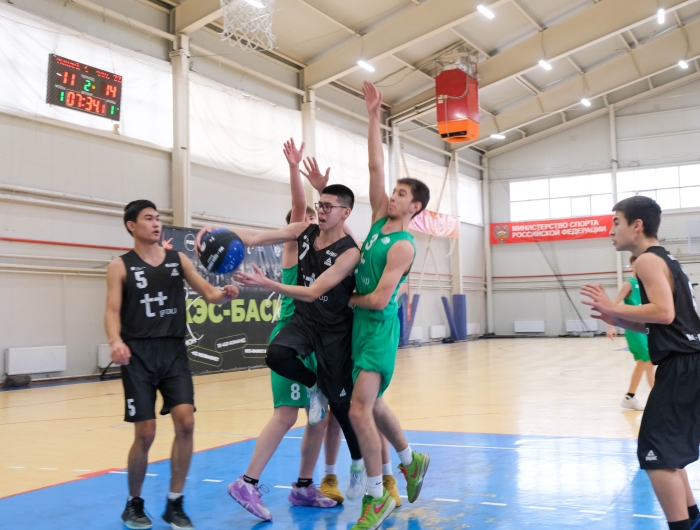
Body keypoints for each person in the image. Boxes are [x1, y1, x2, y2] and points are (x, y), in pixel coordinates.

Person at [199, 180, 368, 502]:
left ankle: (357, 465)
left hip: (334, 330)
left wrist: (267, 283)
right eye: (319, 205)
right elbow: (253, 237)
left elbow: (314, 291)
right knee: (276, 356)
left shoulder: (350, 252)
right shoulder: (303, 232)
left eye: (328, 207)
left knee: (340, 406)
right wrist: (214, 231)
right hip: (303, 322)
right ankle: (313, 389)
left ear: (345, 212)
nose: (320, 211)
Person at [105, 200, 239, 530]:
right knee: (146, 433)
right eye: (148, 218)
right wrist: (115, 341)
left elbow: (207, 292)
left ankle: (175, 503)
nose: (156, 224)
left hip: (174, 352)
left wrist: (223, 294)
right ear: (131, 226)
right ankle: (134, 503)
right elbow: (111, 311)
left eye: (158, 218)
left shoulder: (177, 259)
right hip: (138, 356)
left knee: (186, 423)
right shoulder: (120, 266)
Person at [227, 139, 342, 521]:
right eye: (307, 216)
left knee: (318, 418)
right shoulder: (296, 244)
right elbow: (299, 206)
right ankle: (247, 481)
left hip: (315, 342)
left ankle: (304, 487)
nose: (313, 218)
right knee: (286, 415)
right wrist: (295, 170)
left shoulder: (328, 250)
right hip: (292, 338)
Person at [581, 195, 700, 530]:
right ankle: (692, 518)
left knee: (656, 454)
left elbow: (664, 312)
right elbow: (661, 323)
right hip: (689, 362)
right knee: (668, 451)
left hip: (682, 365)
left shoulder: (646, 260)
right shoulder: (665, 259)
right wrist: (618, 319)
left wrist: (613, 306)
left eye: (616, 222)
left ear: (637, 225)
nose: (610, 231)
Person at [346, 81, 431, 530]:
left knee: (359, 410)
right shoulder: (379, 218)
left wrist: (344, 297)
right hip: (360, 324)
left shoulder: (402, 245)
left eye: (401, 194)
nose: (392, 195)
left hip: (378, 326)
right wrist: (373, 115)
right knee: (373, 404)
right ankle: (410, 459)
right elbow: (374, 165)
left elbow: (380, 298)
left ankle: (377, 496)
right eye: (393, 191)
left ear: (414, 206)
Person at [606, 254, 655, 410]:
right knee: (647, 361)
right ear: (633, 266)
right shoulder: (629, 285)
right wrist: (610, 325)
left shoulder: (647, 285)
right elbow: (612, 305)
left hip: (646, 328)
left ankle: (630, 397)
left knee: (644, 363)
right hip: (634, 330)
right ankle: (658, 398)